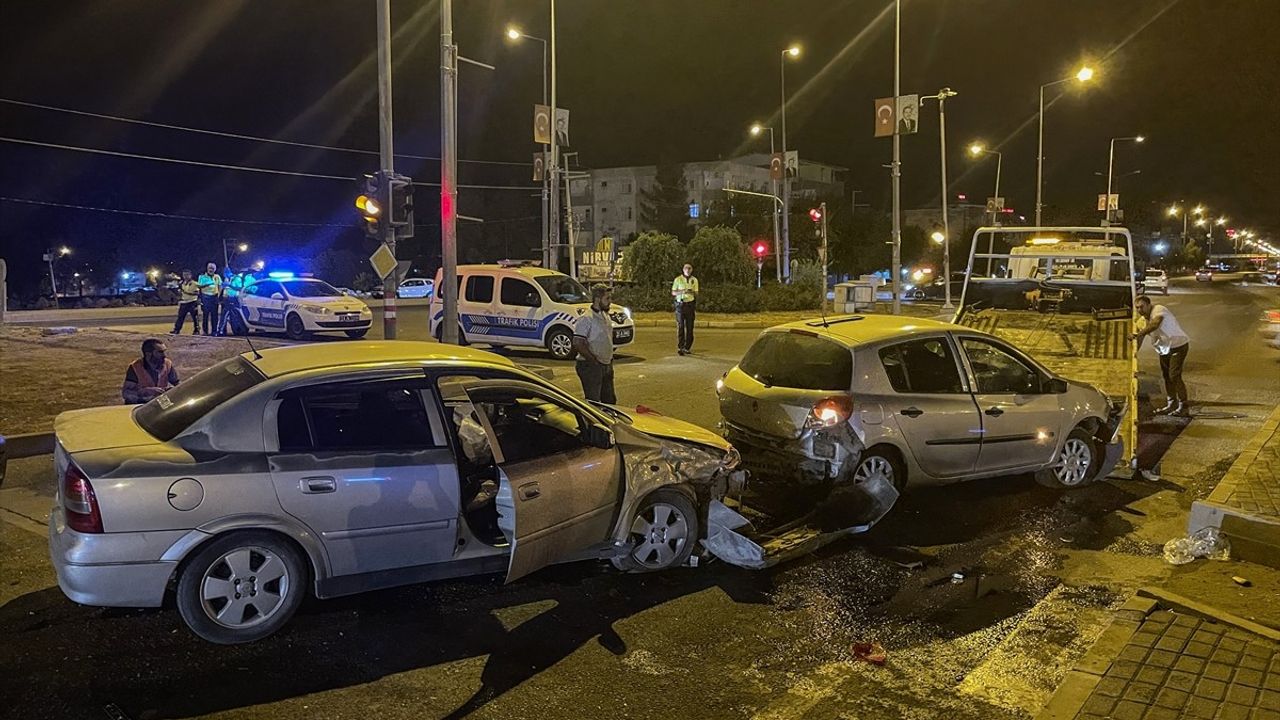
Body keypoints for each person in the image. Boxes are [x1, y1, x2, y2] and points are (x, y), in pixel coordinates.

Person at [1131, 295, 1190, 416]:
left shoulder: (1158, 309)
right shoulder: (1143, 320)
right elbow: (1140, 336)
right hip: (1164, 349)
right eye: (1137, 308)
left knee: (1174, 375)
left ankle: (1184, 406)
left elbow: (1155, 325)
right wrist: (1134, 353)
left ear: (1148, 305)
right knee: (1166, 376)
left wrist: (1137, 334)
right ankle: (1171, 403)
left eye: (1142, 307)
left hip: (1178, 345)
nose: (1140, 310)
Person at [573, 284, 617, 404]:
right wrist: (593, 361)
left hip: (606, 364)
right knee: (594, 403)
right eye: (607, 298)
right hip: (590, 367)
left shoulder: (604, 315)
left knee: (609, 401)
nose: (610, 302)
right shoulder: (586, 318)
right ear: (598, 299)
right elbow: (578, 342)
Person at [122, 338, 180, 405]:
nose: (164, 355)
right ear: (148, 354)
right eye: (160, 352)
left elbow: (177, 383)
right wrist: (146, 394)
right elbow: (126, 393)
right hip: (141, 406)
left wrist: (173, 390)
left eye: (164, 351)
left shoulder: (167, 364)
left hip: (161, 403)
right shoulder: (135, 367)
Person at [671, 263, 699, 355]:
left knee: (690, 327)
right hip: (680, 305)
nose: (688, 270)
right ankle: (681, 347)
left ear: (692, 270)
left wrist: (692, 292)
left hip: (690, 305)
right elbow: (673, 292)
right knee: (681, 326)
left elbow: (697, 293)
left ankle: (687, 347)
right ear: (683, 269)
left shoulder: (694, 280)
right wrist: (682, 291)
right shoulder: (678, 280)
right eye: (686, 268)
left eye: (690, 268)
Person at [172, 269, 200, 335]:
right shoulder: (182, 283)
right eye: (184, 275)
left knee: (195, 318)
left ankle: (196, 330)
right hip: (184, 302)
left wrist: (187, 293)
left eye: (187, 275)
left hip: (192, 302)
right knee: (180, 317)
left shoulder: (195, 283)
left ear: (190, 275)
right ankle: (176, 330)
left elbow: (197, 293)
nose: (185, 276)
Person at [197, 262, 222, 336]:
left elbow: (220, 285)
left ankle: (214, 331)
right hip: (205, 297)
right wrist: (207, 284)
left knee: (215, 316)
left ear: (215, 269)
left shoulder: (217, 277)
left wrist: (218, 295)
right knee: (205, 315)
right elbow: (199, 286)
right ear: (207, 269)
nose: (211, 270)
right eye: (210, 268)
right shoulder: (202, 277)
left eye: (213, 268)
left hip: (214, 297)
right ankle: (205, 331)